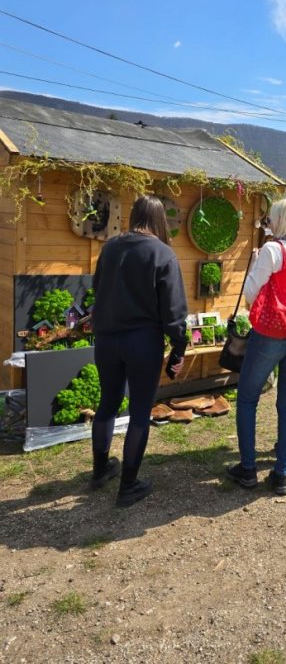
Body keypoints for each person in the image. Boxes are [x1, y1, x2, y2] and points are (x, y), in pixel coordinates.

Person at [90, 195, 188, 507]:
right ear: (160, 220)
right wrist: (179, 349)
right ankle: (128, 485)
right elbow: (173, 312)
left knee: (107, 404)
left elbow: (97, 289)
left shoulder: (110, 248)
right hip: (143, 342)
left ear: (133, 216)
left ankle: (100, 471)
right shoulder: (163, 254)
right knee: (140, 412)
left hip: (106, 338)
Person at [227, 198, 286, 496]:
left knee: (247, 398)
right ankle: (280, 474)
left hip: (271, 332)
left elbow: (249, 294)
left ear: (278, 221)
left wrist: (257, 264)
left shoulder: (272, 250)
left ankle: (247, 469)